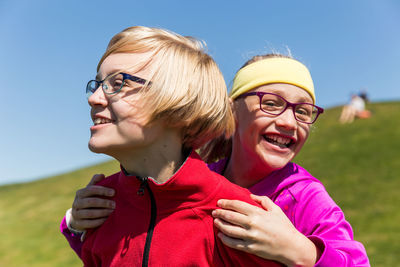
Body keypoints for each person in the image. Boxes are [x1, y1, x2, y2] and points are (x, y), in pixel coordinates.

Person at [61, 53, 370, 266]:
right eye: (272, 104)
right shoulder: (194, 181)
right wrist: (77, 225)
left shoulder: (305, 198)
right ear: (232, 110)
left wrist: (301, 251)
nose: (290, 121)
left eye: (303, 111)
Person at [67, 25, 282, 266]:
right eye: (96, 85)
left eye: (119, 83)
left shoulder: (240, 218)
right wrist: (74, 226)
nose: (94, 98)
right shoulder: (98, 208)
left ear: (179, 101)